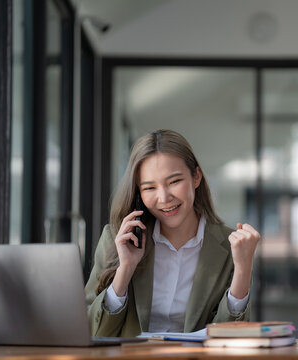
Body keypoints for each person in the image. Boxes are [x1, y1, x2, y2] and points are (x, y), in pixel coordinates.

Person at [85, 129, 260, 337]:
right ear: (138, 192)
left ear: (196, 177)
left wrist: (243, 269)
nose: (164, 197)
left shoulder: (230, 247)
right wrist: (125, 269)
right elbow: (92, 332)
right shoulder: (117, 239)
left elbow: (228, 337)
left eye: (174, 182)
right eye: (149, 188)